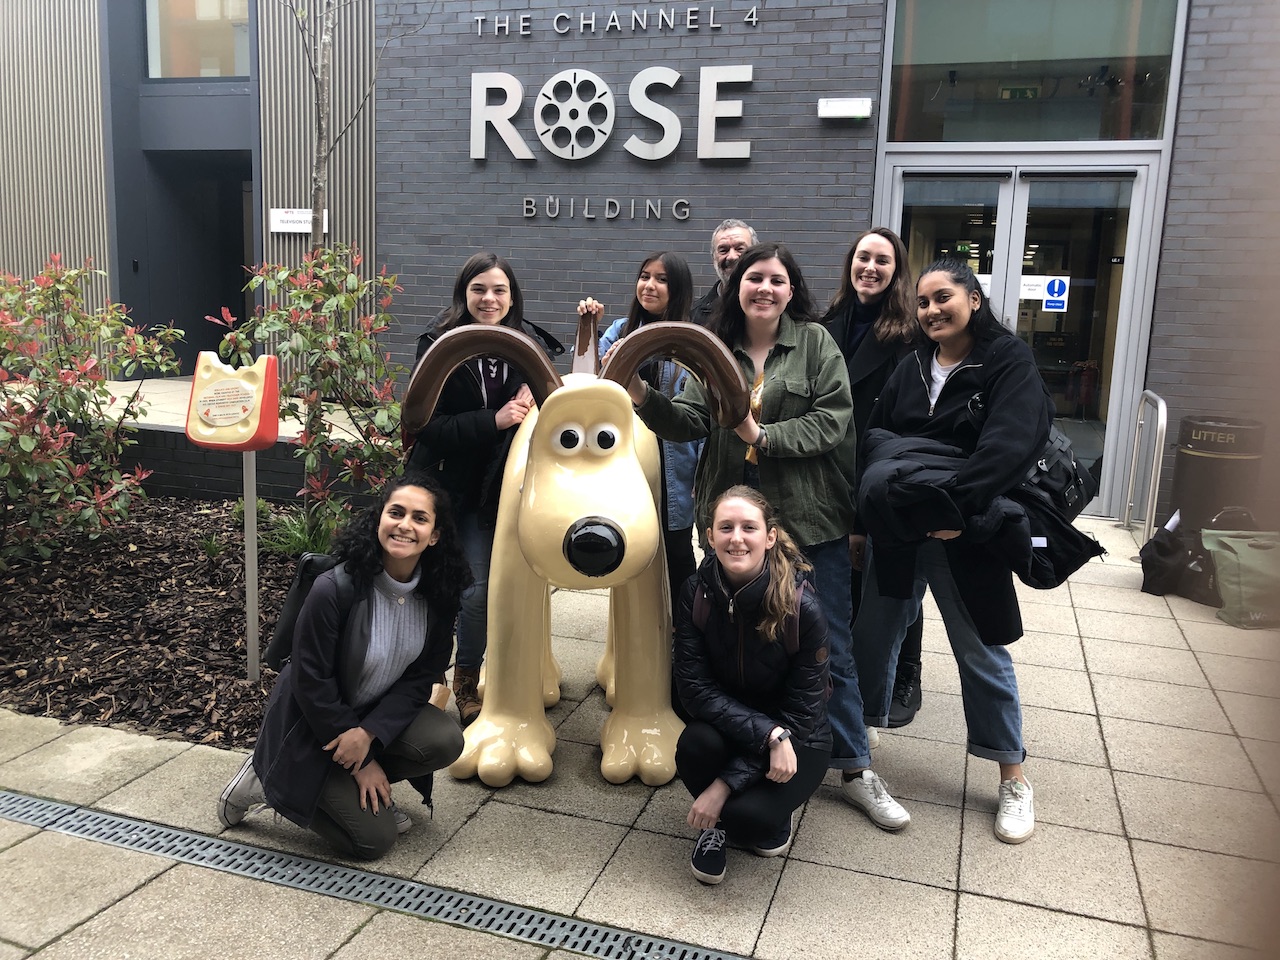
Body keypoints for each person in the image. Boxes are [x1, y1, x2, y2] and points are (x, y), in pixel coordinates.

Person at [617, 241, 909, 831]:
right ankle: (756, 748)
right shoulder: (715, 351)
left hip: (809, 521)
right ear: (737, 287)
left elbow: (832, 420)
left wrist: (760, 432)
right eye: (754, 279)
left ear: (791, 289)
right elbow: (689, 420)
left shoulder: (816, 344)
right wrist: (642, 396)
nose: (765, 289)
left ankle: (855, 769)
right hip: (734, 526)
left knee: (830, 650)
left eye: (777, 280)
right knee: (739, 646)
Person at [851, 257, 1052, 844]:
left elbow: (1010, 446)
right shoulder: (912, 362)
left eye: (944, 297)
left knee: (981, 649)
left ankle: (1013, 776)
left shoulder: (1007, 360)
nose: (932, 310)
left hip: (969, 532)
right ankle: (860, 745)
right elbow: (877, 440)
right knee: (875, 633)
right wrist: (869, 518)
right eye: (923, 302)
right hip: (899, 528)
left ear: (973, 299)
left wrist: (951, 508)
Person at [217, 472, 472, 860]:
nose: (405, 525)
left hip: (368, 716)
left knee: (444, 739)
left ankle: (347, 782)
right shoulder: (336, 588)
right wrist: (363, 762)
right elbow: (310, 681)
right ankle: (263, 779)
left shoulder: (438, 594)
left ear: (434, 535)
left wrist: (370, 735)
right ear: (379, 520)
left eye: (420, 518)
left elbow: (421, 677)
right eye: (396, 513)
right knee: (373, 840)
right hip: (308, 724)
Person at [406, 252, 563, 726]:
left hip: (504, 488)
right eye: (479, 289)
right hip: (448, 487)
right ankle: (442, 680)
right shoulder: (439, 343)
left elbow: (556, 413)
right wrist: (492, 421)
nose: (489, 299)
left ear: (512, 296)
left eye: (499, 290)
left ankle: (483, 677)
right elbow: (424, 425)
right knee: (449, 590)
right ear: (464, 293)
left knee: (494, 591)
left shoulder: (529, 344)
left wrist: (538, 397)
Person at [674, 486, 832, 885]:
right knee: (694, 743)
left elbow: (801, 713)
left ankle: (753, 810)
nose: (737, 538)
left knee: (753, 823)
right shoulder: (696, 591)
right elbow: (693, 689)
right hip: (740, 726)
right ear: (710, 537)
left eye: (749, 527)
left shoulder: (802, 607)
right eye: (725, 528)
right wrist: (768, 735)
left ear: (770, 536)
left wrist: (723, 786)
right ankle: (717, 829)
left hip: (799, 734)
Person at [821, 227, 925, 727]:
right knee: (847, 580)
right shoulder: (828, 322)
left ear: (896, 271)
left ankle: (907, 670)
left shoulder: (909, 335)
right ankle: (846, 674)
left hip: (879, 470)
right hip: (831, 467)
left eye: (882, 261)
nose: (870, 267)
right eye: (863, 256)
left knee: (892, 577)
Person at [598, 252, 700, 628]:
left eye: (661, 280)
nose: (650, 286)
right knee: (632, 548)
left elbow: (701, 415)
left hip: (675, 464)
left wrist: (702, 474)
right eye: (644, 277)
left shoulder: (689, 339)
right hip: (626, 462)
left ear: (678, 290)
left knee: (677, 554)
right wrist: (601, 356)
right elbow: (590, 386)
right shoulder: (620, 330)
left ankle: (685, 638)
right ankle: (637, 633)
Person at [690, 218, 757, 326]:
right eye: (723, 250)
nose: (731, 257)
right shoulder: (693, 316)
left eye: (740, 249)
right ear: (713, 258)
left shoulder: (774, 310)